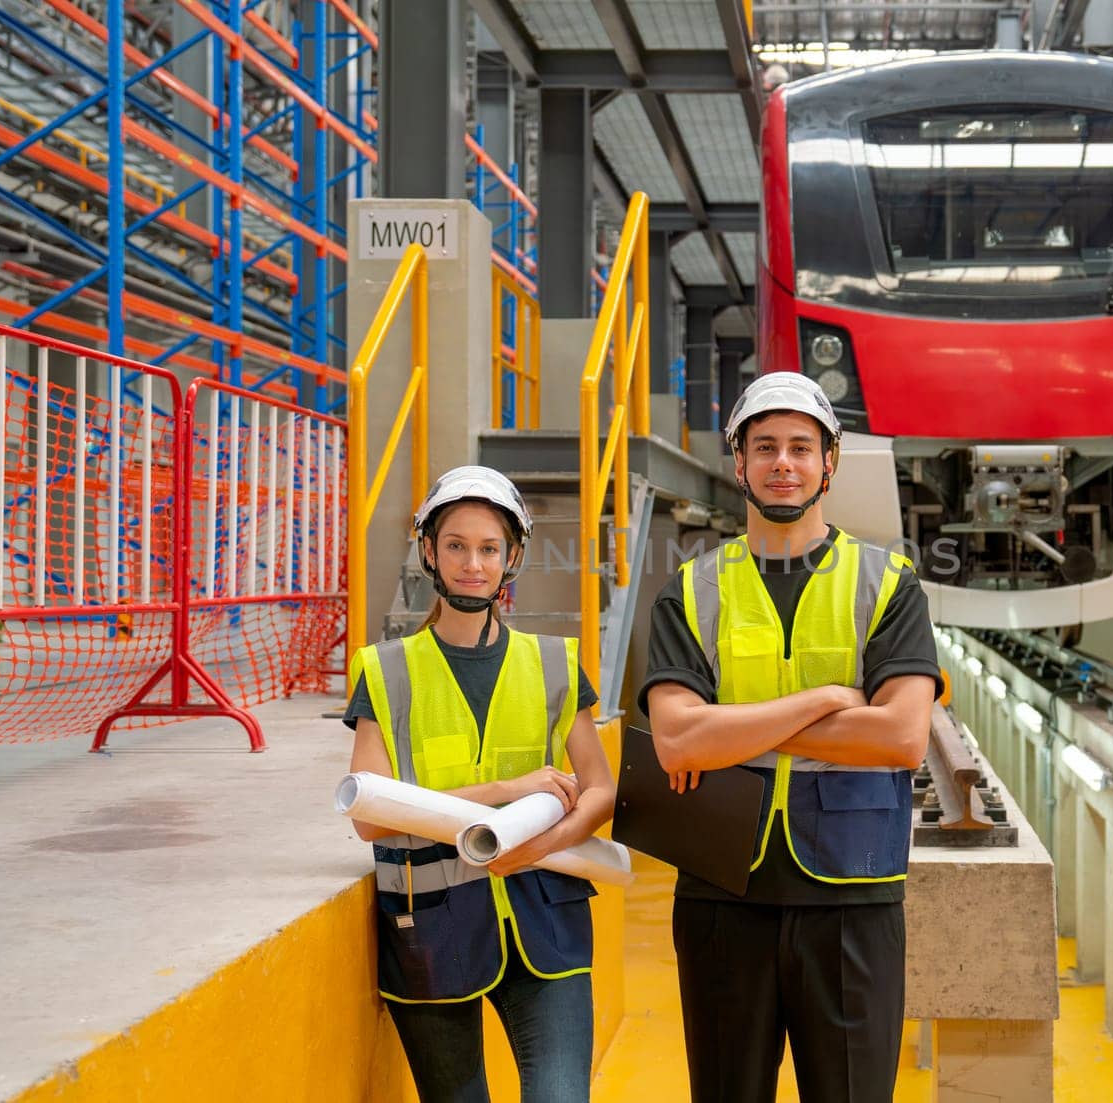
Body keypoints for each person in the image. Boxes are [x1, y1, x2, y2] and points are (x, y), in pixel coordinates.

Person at [639, 373, 942, 1103]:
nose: (784, 462)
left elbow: (902, 735)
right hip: (722, 893)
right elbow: (677, 741)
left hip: (853, 898)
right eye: (765, 445)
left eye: (801, 447)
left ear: (828, 462)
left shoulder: (887, 584)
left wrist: (732, 729)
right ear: (738, 462)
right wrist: (826, 702)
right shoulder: (691, 589)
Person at [344, 465, 614, 1103]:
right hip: (432, 940)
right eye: (457, 546)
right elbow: (370, 816)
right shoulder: (386, 672)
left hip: (546, 924)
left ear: (512, 556)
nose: (473, 564)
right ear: (430, 553)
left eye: (489, 548)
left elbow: (600, 790)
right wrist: (503, 790)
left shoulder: (554, 663)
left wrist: (543, 845)